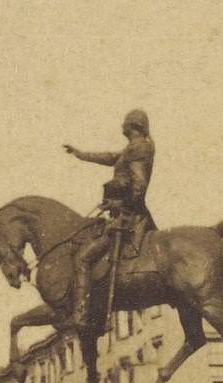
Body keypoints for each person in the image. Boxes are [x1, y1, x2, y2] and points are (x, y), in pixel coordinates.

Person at [63, 109, 156, 327]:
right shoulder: (133, 148)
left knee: (83, 259)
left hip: (128, 217)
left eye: (125, 122)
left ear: (132, 125)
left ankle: (82, 315)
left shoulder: (140, 147)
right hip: (123, 213)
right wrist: (80, 154)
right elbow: (109, 158)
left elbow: (139, 186)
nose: (121, 126)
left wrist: (118, 203)